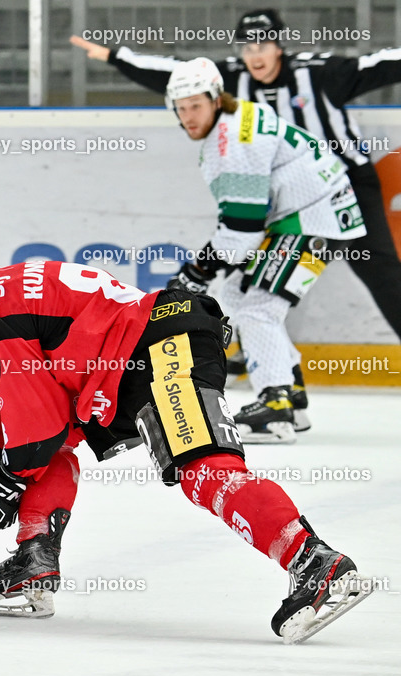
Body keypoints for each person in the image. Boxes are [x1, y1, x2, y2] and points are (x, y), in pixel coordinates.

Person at [0, 238, 370, 642]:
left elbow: (35, 430)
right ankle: (33, 558)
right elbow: (0, 419)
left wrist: (4, 484)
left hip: (156, 350)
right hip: (137, 356)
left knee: (205, 472)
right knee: (59, 447)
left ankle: (314, 562)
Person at [71, 9, 401, 407]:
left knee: (378, 275)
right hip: (281, 202)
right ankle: (281, 380)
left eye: (263, 45)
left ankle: (277, 388)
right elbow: (175, 77)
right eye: (247, 47)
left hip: (332, 192)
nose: (255, 55)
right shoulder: (223, 84)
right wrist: (116, 57)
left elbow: (380, 66)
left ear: (279, 45)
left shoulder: (318, 74)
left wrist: (199, 269)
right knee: (248, 286)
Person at [162, 58, 366, 443]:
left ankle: (275, 407)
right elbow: (243, 227)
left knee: (258, 306)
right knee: (241, 293)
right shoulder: (237, 116)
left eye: (196, 105)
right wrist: (206, 270)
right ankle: (292, 394)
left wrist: (197, 272)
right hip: (315, 212)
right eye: (182, 107)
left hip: (312, 219)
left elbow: (242, 230)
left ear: (215, 99)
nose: (189, 116)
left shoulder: (231, 142)